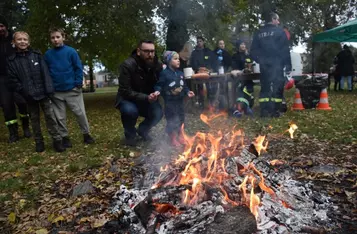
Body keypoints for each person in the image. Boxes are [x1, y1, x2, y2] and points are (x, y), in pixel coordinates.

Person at [7, 31, 65, 152]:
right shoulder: (11, 61)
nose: (22, 42)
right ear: (14, 42)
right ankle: (39, 142)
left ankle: (57, 140)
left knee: (51, 117)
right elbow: (13, 80)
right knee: (34, 120)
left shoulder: (36, 55)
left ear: (28, 42)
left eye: (25, 39)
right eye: (19, 39)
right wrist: (24, 93)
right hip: (29, 96)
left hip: (43, 93)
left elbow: (45, 73)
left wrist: (49, 90)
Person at [45, 28, 94, 148]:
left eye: (58, 37)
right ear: (50, 40)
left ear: (63, 37)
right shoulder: (48, 55)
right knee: (60, 116)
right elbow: (46, 72)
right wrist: (49, 87)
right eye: (53, 38)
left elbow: (78, 67)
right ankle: (65, 137)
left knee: (80, 113)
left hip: (72, 89)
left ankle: (86, 134)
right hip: (56, 91)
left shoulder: (71, 51)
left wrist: (78, 83)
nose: (55, 40)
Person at [115, 40, 163, 146]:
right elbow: (125, 90)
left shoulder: (157, 65)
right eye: (146, 51)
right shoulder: (127, 65)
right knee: (130, 111)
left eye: (152, 51)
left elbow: (161, 82)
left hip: (147, 98)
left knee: (158, 112)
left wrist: (157, 92)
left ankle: (143, 130)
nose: (150, 55)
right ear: (138, 51)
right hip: (128, 99)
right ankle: (130, 136)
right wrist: (146, 97)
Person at [250, 12, 292, 118]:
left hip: (264, 66)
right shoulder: (280, 32)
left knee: (265, 87)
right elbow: (285, 50)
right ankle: (275, 111)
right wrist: (288, 65)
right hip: (277, 65)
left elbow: (253, 51)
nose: (278, 22)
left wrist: (260, 60)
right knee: (277, 87)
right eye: (277, 20)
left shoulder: (259, 32)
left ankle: (264, 111)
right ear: (273, 19)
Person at [0, 15, 31, 142]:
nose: (0, 28)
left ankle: (26, 128)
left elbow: (25, 51)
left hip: (18, 77)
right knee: (7, 107)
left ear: (6, 26)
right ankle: (13, 133)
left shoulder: (15, 39)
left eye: (1, 25)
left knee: (23, 103)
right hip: (2, 79)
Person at [154, 51, 195, 146]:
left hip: (180, 100)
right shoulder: (164, 73)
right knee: (171, 118)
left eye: (178, 59)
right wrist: (157, 91)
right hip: (170, 101)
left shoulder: (180, 73)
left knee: (181, 117)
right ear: (168, 61)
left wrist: (188, 91)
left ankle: (180, 135)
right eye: (175, 59)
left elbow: (184, 85)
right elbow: (159, 84)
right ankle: (172, 137)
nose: (178, 61)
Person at [190, 36, 218, 109]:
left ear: (203, 42)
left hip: (208, 73)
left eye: (200, 41)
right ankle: (201, 103)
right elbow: (192, 63)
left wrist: (211, 69)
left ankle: (210, 103)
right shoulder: (194, 53)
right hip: (198, 74)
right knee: (200, 88)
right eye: (198, 41)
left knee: (210, 88)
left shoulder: (208, 51)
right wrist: (198, 68)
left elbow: (214, 61)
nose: (199, 43)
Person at [231, 40, 255, 115]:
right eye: (241, 44)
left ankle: (247, 107)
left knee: (249, 91)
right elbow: (234, 68)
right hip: (240, 79)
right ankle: (239, 109)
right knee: (240, 92)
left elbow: (252, 65)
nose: (243, 46)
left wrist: (250, 68)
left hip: (249, 78)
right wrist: (242, 71)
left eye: (244, 44)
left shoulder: (248, 55)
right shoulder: (235, 56)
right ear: (238, 46)